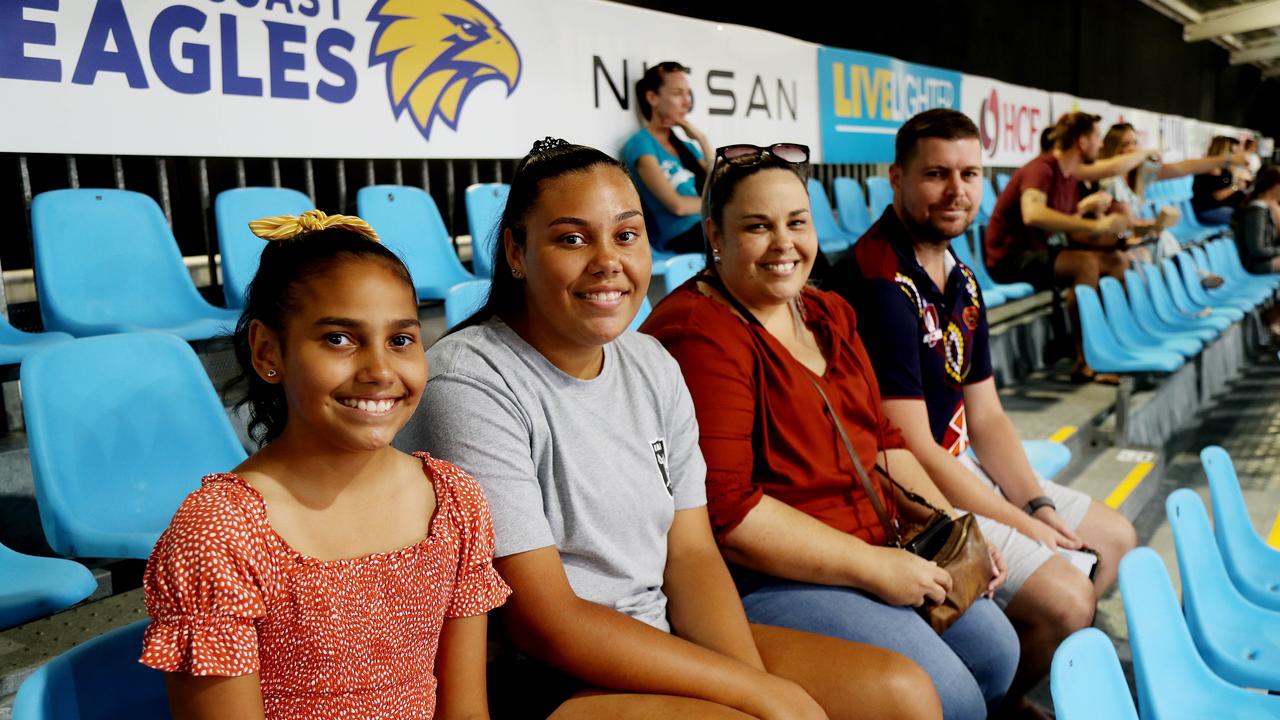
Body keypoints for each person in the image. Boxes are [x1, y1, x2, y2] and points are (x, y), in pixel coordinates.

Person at [401, 138, 942, 720]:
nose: (608, 260)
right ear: (515, 251)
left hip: (657, 632)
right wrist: (755, 696)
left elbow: (690, 556)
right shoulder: (470, 384)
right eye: (572, 238)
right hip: (546, 678)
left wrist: (752, 682)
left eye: (626, 235)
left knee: (902, 694)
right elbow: (544, 623)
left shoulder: (651, 363)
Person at [643, 141, 1019, 720]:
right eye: (757, 227)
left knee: (997, 652)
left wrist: (950, 523)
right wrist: (874, 569)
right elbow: (729, 514)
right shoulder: (700, 331)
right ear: (714, 235)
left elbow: (884, 442)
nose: (784, 244)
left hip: (874, 545)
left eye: (797, 223)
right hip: (770, 577)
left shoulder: (827, 312)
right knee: (950, 695)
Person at [139, 211, 510, 719]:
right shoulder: (219, 533)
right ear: (269, 352)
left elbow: (465, 710)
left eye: (401, 339)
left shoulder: (455, 501)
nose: (380, 371)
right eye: (339, 338)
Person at [830, 109, 1138, 720]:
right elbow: (912, 449)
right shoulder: (878, 282)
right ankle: (986, 703)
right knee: (1068, 602)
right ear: (896, 178)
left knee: (1116, 539)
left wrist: (1039, 507)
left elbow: (989, 416)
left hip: (962, 466)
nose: (957, 191)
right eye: (936, 174)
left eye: (969, 173)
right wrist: (1024, 526)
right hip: (908, 491)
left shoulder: (962, 277)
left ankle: (1001, 689)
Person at [983, 112, 1152, 381]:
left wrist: (1112, 233)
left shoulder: (1069, 176)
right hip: (1010, 259)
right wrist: (1095, 227)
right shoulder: (1043, 168)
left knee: (1117, 261)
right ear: (1082, 142)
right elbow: (1033, 214)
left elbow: (1069, 225)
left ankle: (1112, 345)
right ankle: (1086, 360)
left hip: (1040, 252)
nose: (1100, 145)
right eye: (1097, 137)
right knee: (1085, 263)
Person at [622, 61, 713, 254]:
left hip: (707, 228)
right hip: (683, 236)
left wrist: (702, 140)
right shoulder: (641, 143)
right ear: (652, 97)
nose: (687, 102)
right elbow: (677, 206)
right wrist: (720, 205)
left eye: (688, 94)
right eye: (677, 93)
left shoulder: (686, 146)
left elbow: (719, 187)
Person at [1192, 136, 1247, 226]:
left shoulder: (1224, 170)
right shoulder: (1207, 169)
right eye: (1231, 151)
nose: (1234, 154)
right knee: (1244, 218)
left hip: (1223, 206)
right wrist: (1236, 187)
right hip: (1209, 210)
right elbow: (1218, 196)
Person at [1235, 165, 1280, 275]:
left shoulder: (1268, 208)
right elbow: (1257, 250)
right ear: (1275, 187)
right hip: (1256, 265)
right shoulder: (1256, 212)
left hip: (1265, 260)